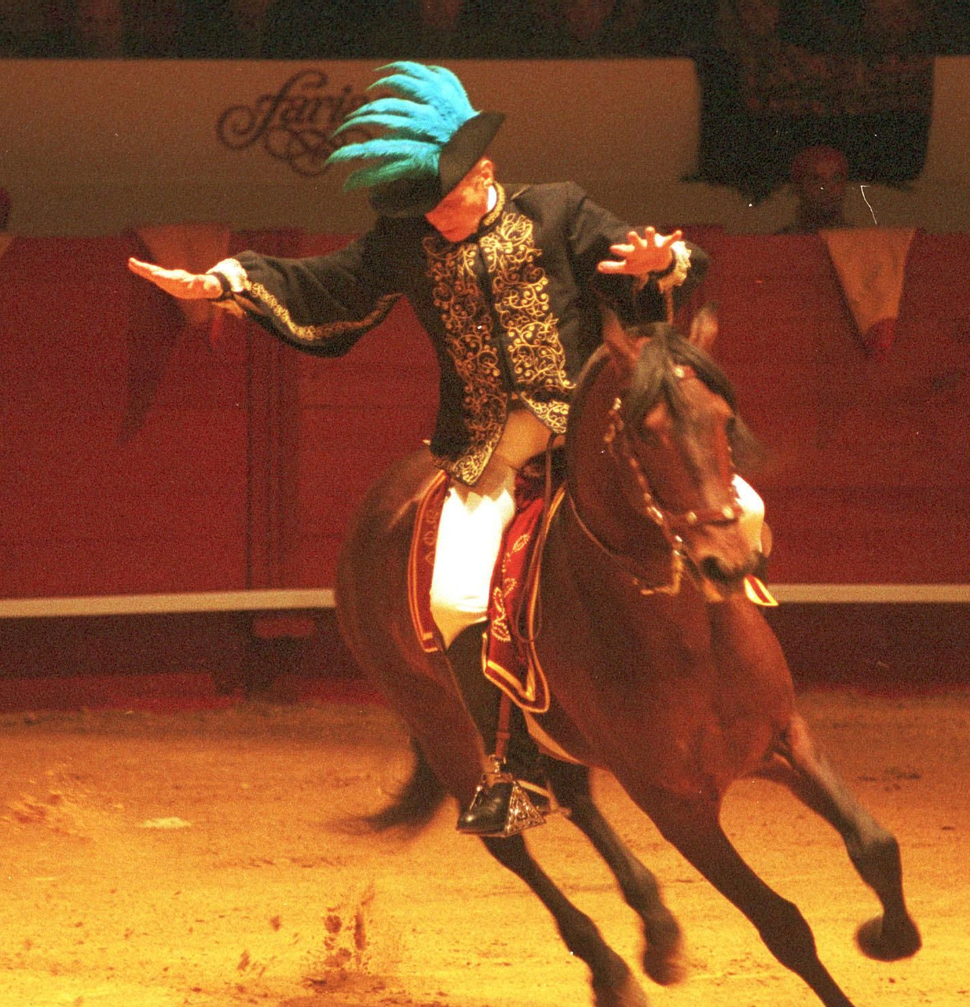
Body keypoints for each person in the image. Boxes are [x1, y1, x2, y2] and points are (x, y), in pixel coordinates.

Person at [130, 62, 723, 836]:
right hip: (489, 450)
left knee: (729, 507)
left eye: (446, 202)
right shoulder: (406, 241)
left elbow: (644, 264)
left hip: (589, 429)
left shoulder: (557, 212)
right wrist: (225, 283)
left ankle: (744, 693)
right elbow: (327, 284)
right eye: (425, 210)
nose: (436, 220)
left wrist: (662, 263)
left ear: (487, 174)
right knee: (449, 599)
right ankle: (516, 769)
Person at [779, 143, 852, 233]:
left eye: (836, 179)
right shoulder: (781, 242)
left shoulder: (859, 241)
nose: (827, 188)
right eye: (816, 179)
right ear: (798, 187)